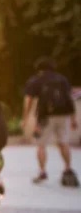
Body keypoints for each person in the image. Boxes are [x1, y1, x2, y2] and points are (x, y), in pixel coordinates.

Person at [23, 56, 78, 185]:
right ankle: (68, 169)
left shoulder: (36, 80)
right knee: (63, 143)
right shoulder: (62, 79)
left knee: (41, 145)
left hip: (45, 117)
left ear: (38, 68)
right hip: (64, 115)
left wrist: (25, 118)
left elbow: (29, 100)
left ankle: (42, 172)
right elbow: (70, 99)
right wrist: (73, 119)